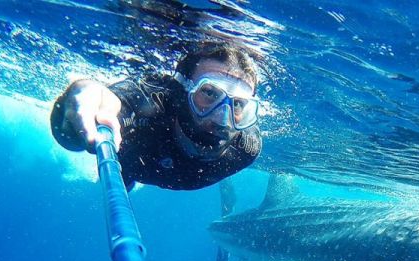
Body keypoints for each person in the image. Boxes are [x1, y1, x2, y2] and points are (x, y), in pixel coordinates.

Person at [50, 42, 262, 191]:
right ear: (180, 91)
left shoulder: (246, 149)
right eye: (209, 93)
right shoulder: (149, 104)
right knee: (123, 173)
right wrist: (81, 101)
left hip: (144, 165)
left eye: (238, 104)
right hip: (132, 164)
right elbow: (74, 133)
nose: (222, 119)